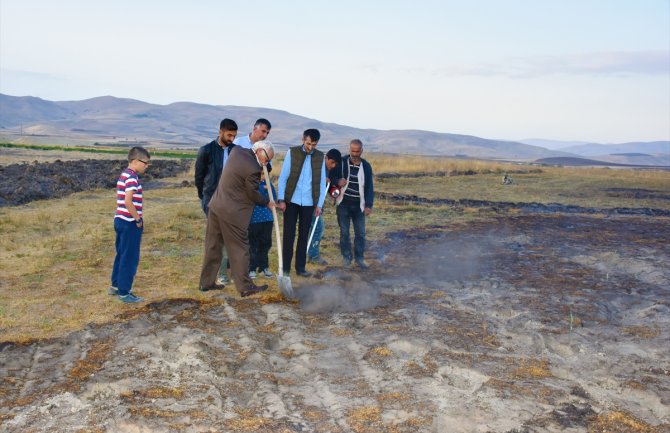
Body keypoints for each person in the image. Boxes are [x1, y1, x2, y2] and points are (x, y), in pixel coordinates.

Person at [199, 139, 275, 297]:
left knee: (213, 246)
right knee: (240, 250)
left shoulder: (237, 152)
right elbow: (252, 194)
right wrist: (267, 202)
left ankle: (206, 283)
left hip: (216, 206)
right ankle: (245, 287)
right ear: (260, 152)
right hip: (233, 214)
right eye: (267, 158)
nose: (266, 162)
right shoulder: (254, 169)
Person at [276, 129, 327, 277]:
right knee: (289, 235)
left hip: (309, 202)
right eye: (308, 143)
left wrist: (319, 205)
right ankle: (285, 269)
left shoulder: (320, 156)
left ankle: (300, 268)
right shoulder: (292, 152)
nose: (310, 147)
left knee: (304, 235)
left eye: (314, 144)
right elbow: (283, 177)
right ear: (302, 139)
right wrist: (281, 199)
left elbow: (322, 182)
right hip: (291, 201)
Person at [194, 119, 238, 284]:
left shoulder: (236, 151)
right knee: (216, 239)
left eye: (234, 136)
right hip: (212, 200)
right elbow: (199, 177)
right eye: (229, 135)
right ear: (220, 132)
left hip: (231, 201)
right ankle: (219, 275)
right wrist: (204, 198)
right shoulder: (206, 150)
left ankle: (226, 272)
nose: (232, 139)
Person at [109, 146, 151, 303]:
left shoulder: (124, 175)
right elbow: (128, 201)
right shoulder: (132, 178)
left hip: (119, 220)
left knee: (121, 253)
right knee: (130, 257)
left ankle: (115, 285)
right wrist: (138, 219)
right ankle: (125, 292)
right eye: (145, 163)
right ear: (135, 161)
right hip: (129, 222)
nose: (146, 166)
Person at [333, 139, 374, 269]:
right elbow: (331, 176)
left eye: (357, 151)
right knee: (344, 233)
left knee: (360, 233)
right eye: (352, 151)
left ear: (361, 151)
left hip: (359, 206)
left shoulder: (366, 166)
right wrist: (337, 181)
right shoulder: (342, 162)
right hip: (343, 204)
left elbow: (369, 187)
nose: (355, 154)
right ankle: (346, 258)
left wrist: (368, 205)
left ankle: (360, 258)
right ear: (349, 149)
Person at [307, 148, 342, 265]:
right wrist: (321, 179)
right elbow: (308, 181)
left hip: (318, 203)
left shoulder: (328, 169)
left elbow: (328, 186)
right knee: (318, 229)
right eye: (331, 162)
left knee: (312, 229)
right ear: (326, 157)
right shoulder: (317, 165)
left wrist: (333, 185)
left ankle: (308, 253)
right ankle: (314, 255)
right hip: (310, 203)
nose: (333, 166)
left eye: (335, 164)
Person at [248, 164, 277, 279]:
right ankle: (252, 268)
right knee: (253, 244)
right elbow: (253, 197)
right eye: (261, 174)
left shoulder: (269, 185)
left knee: (266, 243)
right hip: (254, 219)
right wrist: (262, 191)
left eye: (265, 174)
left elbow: (273, 199)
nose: (263, 176)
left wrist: (269, 192)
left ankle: (264, 266)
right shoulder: (252, 185)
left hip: (267, 219)